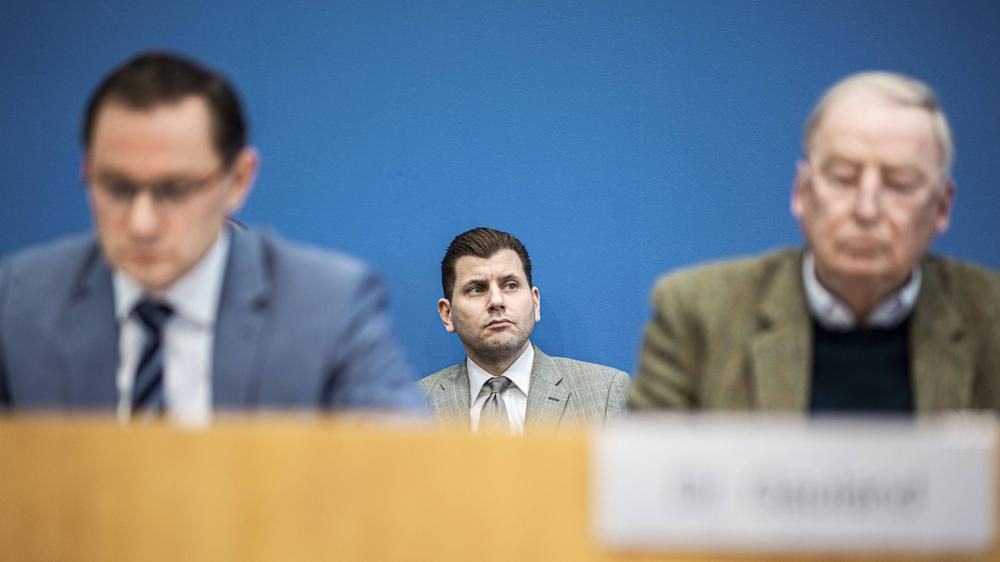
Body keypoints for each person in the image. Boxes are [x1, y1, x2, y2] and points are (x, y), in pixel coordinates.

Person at [0, 52, 423, 422]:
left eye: (176, 189)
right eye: (116, 187)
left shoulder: (327, 306)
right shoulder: (18, 300)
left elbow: (403, 475)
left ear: (238, 180)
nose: (141, 223)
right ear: (87, 171)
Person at [629, 71, 1000, 414]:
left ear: (942, 206)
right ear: (801, 192)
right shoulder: (699, 314)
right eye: (842, 178)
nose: (866, 209)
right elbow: (641, 478)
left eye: (899, 183)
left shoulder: (990, 317)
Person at [421, 227, 627, 432]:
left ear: (535, 303)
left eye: (510, 285)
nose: (496, 301)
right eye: (476, 289)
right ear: (447, 315)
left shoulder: (606, 393)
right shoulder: (411, 407)